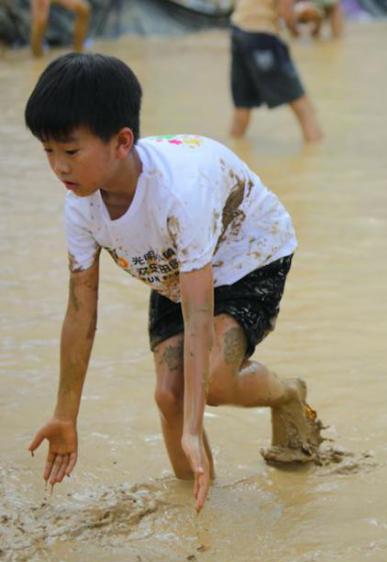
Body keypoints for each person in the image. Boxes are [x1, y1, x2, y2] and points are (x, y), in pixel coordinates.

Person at [24, 53, 322, 513]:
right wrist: (65, 414)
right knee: (168, 396)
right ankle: (200, 512)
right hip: (173, 268)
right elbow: (80, 312)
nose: (59, 168)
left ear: (121, 142)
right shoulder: (80, 206)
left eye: (70, 151)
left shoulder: (179, 193)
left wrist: (192, 425)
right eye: (48, 152)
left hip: (248, 255)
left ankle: (287, 394)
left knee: (213, 385)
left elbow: (199, 312)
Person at [229, 0, 324, 143]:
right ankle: (317, 154)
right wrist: (297, 30)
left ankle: (231, 150)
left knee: (242, 105)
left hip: (238, 30)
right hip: (262, 36)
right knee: (304, 107)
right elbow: (286, 14)